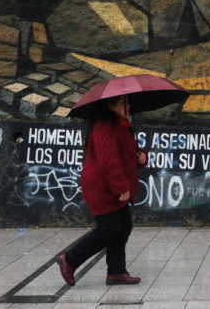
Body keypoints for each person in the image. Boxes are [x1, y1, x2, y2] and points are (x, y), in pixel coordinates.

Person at [57, 94, 147, 286]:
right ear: (111, 105)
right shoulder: (104, 128)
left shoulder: (120, 125)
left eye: (128, 101)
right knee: (109, 229)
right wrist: (121, 187)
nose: (128, 105)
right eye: (124, 102)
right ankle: (70, 259)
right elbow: (109, 162)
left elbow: (124, 154)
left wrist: (141, 157)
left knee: (123, 226)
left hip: (111, 183)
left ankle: (116, 272)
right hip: (102, 186)